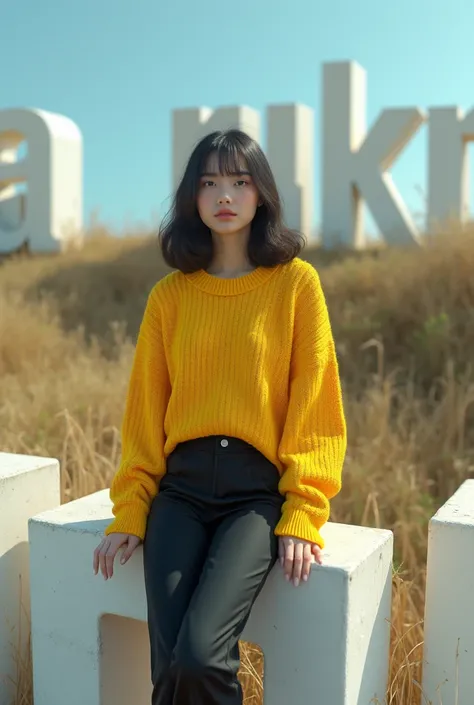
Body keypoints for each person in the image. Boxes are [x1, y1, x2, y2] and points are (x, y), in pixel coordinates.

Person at [93, 128, 347, 705]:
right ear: (192, 197)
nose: (224, 194)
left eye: (239, 180)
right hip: (178, 493)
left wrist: (304, 509)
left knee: (202, 655)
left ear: (262, 195)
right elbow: (145, 413)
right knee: (169, 671)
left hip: (253, 498)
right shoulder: (170, 296)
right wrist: (131, 507)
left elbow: (317, 403)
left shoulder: (295, 285)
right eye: (209, 182)